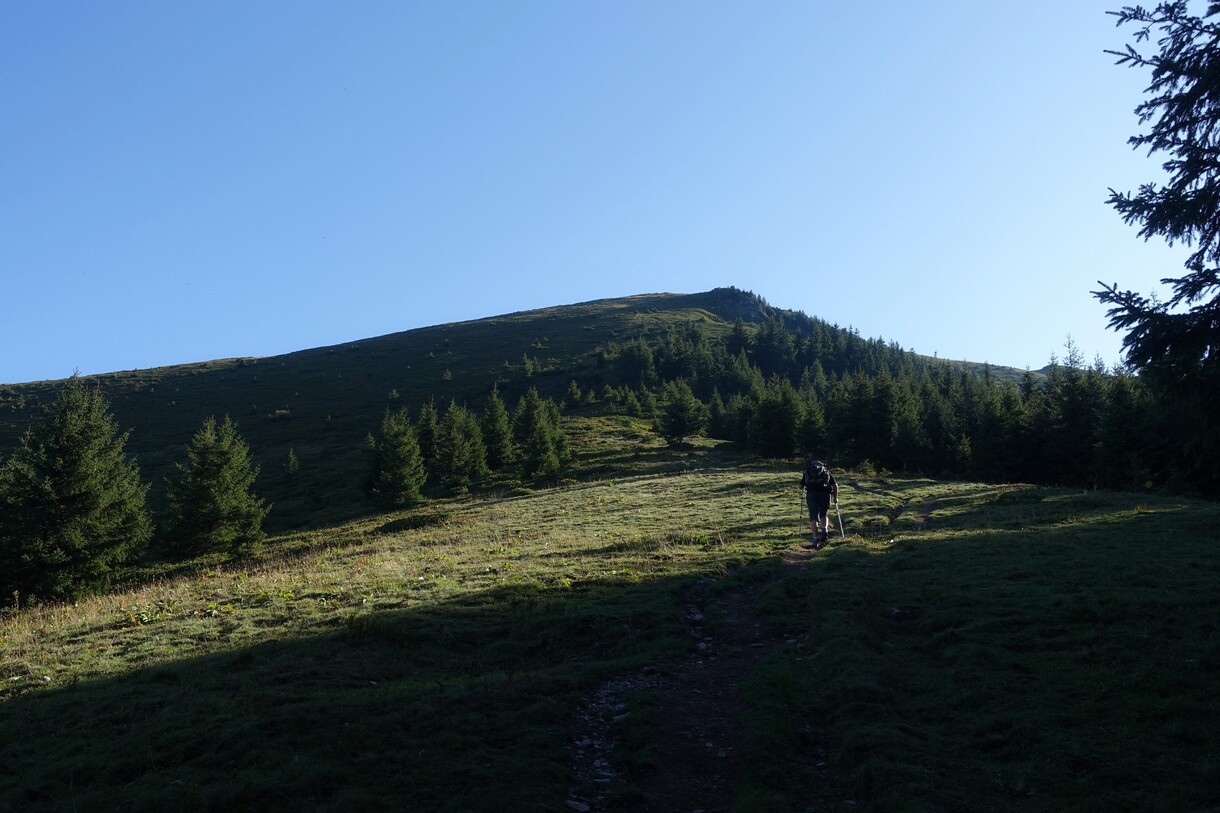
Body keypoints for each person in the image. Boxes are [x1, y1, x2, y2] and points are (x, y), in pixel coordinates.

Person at [800, 455, 838, 549]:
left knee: (813, 516)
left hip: (811, 495)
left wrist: (805, 487)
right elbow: (835, 485)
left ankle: (815, 538)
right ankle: (824, 530)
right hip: (825, 494)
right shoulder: (826, 472)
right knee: (824, 513)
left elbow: (801, 486)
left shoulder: (807, 472)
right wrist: (835, 497)